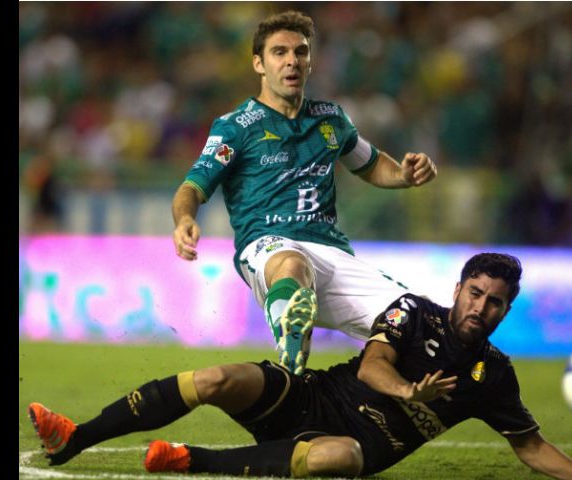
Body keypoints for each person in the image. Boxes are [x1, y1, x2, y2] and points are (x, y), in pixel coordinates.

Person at [28, 253, 572, 480]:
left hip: (361, 444)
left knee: (338, 462)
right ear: (460, 287)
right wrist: (412, 388)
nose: (480, 307)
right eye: (475, 293)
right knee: (220, 378)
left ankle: (190, 458)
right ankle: (74, 436)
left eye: (495, 302)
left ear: (506, 309)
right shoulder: (413, 313)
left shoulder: (493, 376)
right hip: (311, 398)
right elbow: (375, 365)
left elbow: (532, 447)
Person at [171, 10, 437, 375]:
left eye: (300, 51)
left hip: (331, 253)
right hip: (269, 247)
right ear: (258, 64)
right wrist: (185, 218)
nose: (291, 61)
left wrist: (405, 174)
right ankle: (291, 347)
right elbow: (193, 186)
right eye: (279, 52)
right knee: (293, 264)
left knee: (423, 321)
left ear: (310, 62)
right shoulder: (235, 128)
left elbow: (372, 164)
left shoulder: (331, 120)